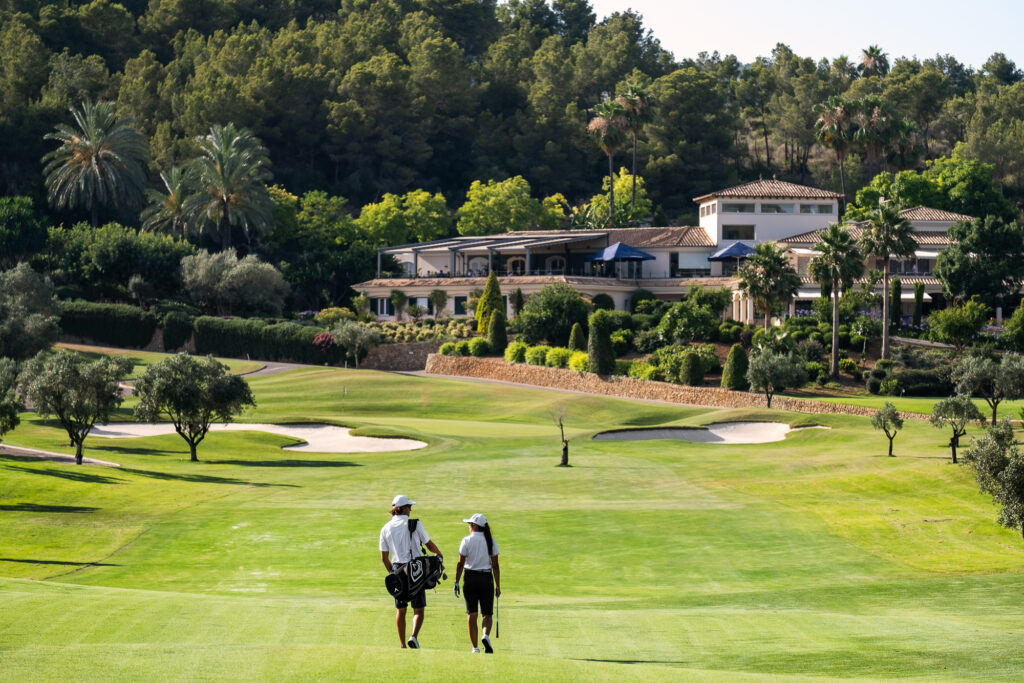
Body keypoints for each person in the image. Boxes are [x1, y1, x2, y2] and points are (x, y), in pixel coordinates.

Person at [379, 494, 443, 649]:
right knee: (418, 608)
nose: (411, 510)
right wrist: (439, 556)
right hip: (416, 570)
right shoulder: (415, 524)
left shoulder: (385, 528)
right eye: (409, 507)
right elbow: (429, 545)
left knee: (400, 610)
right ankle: (413, 636)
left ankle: (402, 644)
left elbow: (384, 558)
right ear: (404, 508)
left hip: (397, 569)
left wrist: (393, 574)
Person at [453, 513, 500, 653]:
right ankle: (485, 635)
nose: (469, 527)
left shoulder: (466, 540)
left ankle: (475, 648)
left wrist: (456, 581)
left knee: (471, 614)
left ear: (474, 526)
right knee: (486, 614)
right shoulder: (491, 541)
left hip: (470, 579)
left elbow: (460, 563)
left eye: (470, 525)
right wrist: (498, 585)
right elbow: (496, 566)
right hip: (486, 578)